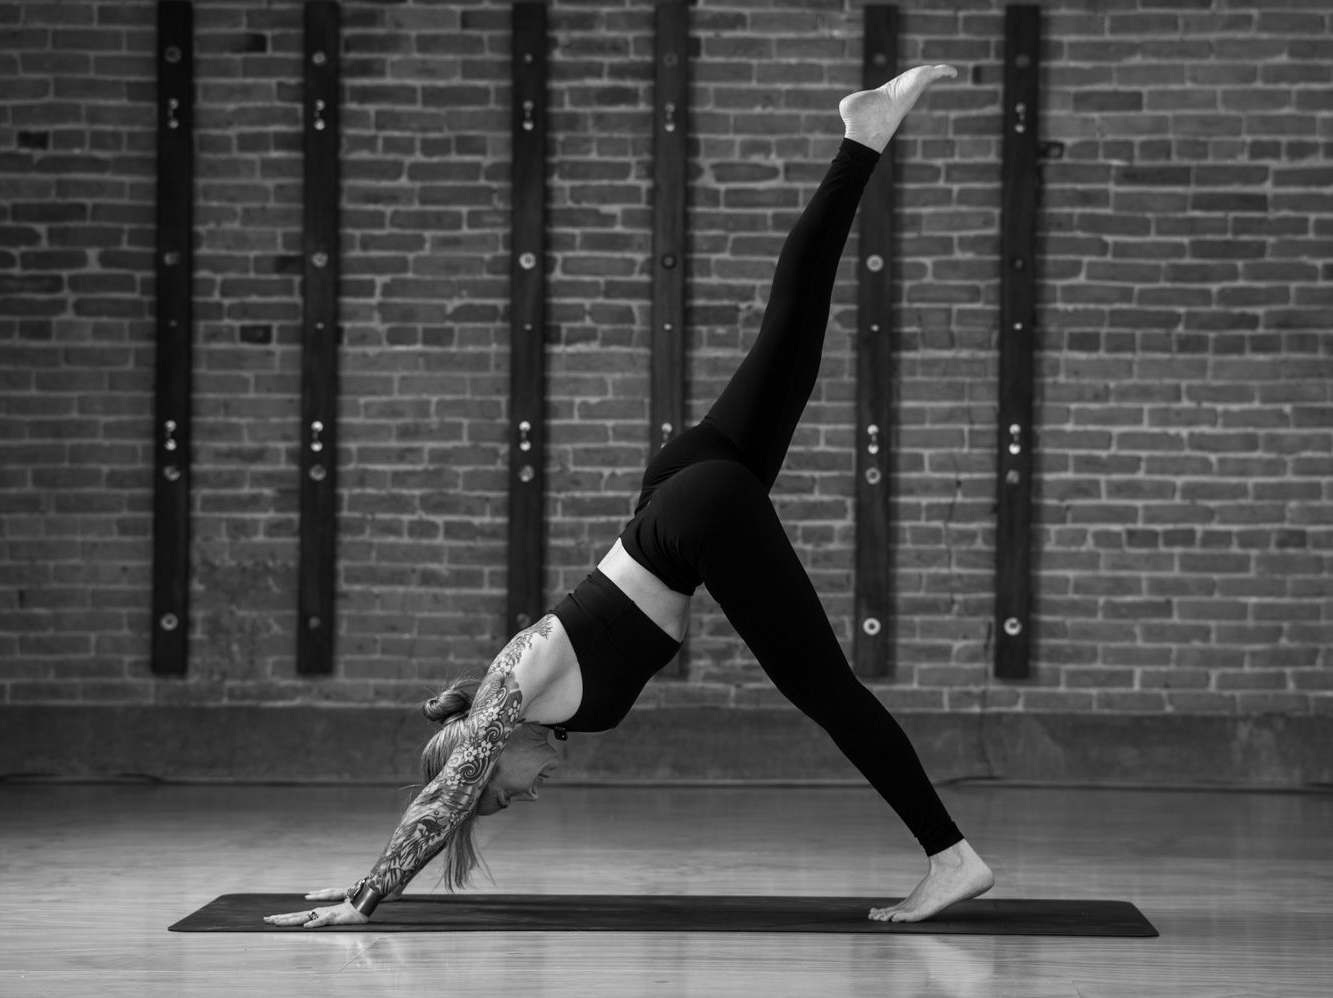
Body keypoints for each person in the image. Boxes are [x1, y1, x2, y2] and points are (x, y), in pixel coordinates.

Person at [266, 64, 994, 930]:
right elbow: (449, 790)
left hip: (694, 519)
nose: (523, 800)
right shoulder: (510, 688)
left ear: (485, 758)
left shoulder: (510, 698)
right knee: (792, 334)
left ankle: (953, 857)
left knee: (827, 689)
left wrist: (365, 898)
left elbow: (443, 798)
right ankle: (862, 138)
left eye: (502, 798)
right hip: (678, 494)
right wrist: (360, 875)